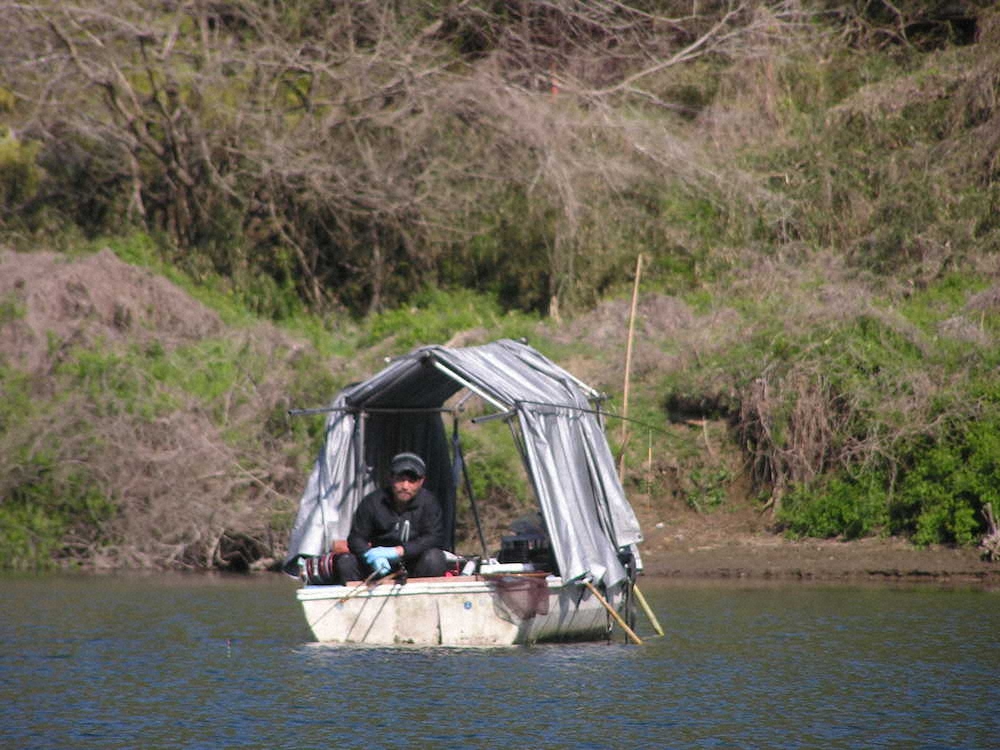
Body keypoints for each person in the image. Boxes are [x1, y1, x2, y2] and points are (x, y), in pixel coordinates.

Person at [335, 452, 448, 582]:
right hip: (378, 566)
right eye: (400, 479)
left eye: (412, 481)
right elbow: (356, 538)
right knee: (346, 562)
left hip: (413, 563)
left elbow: (434, 537)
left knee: (434, 558)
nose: (405, 486)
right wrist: (369, 554)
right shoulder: (373, 502)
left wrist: (400, 551)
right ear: (391, 478)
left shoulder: (429, 503)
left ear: (421, 481)